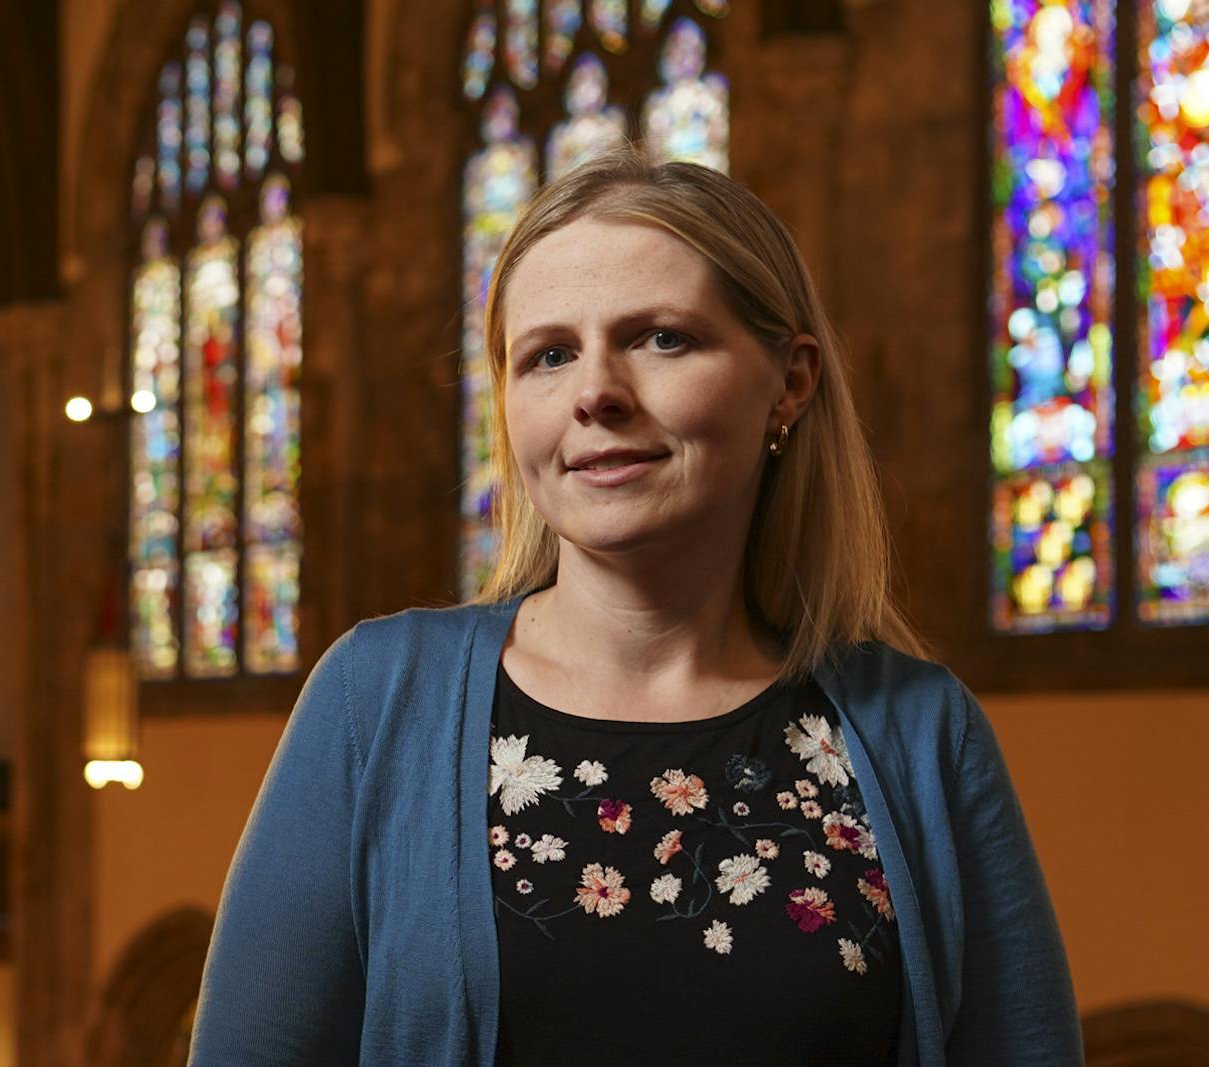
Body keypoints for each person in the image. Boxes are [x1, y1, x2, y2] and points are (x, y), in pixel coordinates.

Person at [190, 146, 1082, 1066]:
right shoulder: (376, 702)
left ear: (791, 381)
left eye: (662, 337)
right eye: (548, 355)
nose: (595, 394)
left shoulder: (922, 737)